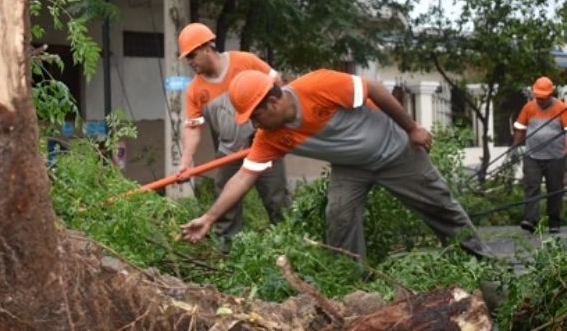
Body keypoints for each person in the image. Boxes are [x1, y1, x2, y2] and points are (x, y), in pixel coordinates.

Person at [180, 68, 492, 260]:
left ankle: (479, 262)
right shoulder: (269, 136)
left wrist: (412, 129)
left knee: (439, 205)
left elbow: (375, 89)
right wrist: (209, 217)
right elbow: (243, 178)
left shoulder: (318, 86)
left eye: (255, 115)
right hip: (351, 168)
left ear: (273, 102)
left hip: (395, 151)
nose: (253, 124)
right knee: (339, 218)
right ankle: (351, 283)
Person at [176, 23, 290, 253]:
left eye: (192, 54)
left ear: (207, 48)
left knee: (278, 202)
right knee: (225, 208)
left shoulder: (245, 61)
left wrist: (281, 125)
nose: (190, 61)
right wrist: (186, 160)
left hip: (264, 146)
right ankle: (227, 256)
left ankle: (291, 249)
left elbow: (278, 84)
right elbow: (192, 128)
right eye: (187, 57)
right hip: (228, 154)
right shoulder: (194, 90)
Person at [513, 76, 567, 234]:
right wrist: (515, 148)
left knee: (555, 189)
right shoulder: (529, 107)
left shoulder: (561, 108)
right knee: (531, 187)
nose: (541, 101)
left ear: (551, 94)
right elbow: (520, 128)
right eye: (538, 97)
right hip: (532, 156)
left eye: (544, 98)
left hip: (556, 157)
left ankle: (554, 223)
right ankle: (530, 220)